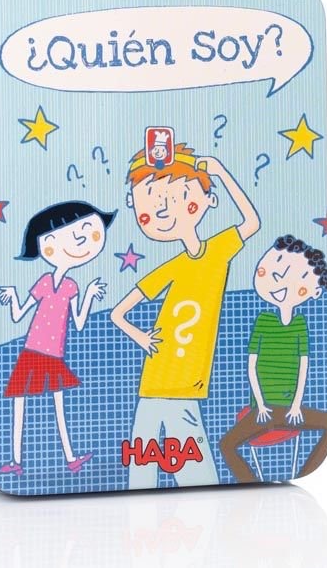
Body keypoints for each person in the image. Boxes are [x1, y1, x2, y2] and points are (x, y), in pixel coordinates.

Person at [110, 141, 260, 489]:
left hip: (187, 381)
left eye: (178, 197)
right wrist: (141, 337)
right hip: (155, 378)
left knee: (196, 471)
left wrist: (220, 172)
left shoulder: (218, 250)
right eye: (151, 203)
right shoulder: (172, 267)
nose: (164, 209)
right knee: (143, 466)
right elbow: (118, 313)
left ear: (208, 200)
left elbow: (251, 222)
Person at [0, 201, 115, 476]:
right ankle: (15, 460)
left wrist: (89, 295)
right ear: (46, 245)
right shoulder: (44, 282)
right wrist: (12, 296)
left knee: (58, 406)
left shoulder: (71, 286)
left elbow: (79, 321)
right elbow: (19, 314)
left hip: (54, 354)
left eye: (89, 231)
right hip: (32, 350)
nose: (81, 241)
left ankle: (71, 458)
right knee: (19, 404)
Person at [219, 235, 327, 482]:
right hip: (265, 410)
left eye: (297, 276)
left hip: (290, 410)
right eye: (274, 268)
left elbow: (303, 368)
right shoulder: (263, 321)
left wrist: (296, 405)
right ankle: (249, 485)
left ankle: (299, 471)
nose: (280, 278)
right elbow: (251, 367)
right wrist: (260, 405)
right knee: (227, 444)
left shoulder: (300, 324)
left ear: (315, 291)